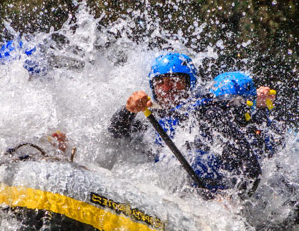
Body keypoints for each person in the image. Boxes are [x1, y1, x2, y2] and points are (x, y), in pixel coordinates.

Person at [109, 53, 261, 195]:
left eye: (174, 81)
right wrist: (129, 110)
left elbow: (251, 168)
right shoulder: (151, 116)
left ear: (190, 84)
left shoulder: (208, 113)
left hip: (211, 197)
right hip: (170, 193)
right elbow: (115, 133)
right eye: (160, 82)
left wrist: (232, 200)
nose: (167, 88)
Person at [209, 71, 284, 158]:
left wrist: (262, 107)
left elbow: (276, 142)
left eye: (239, 103)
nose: (230, 110)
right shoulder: (206, 121)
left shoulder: (251, 123)